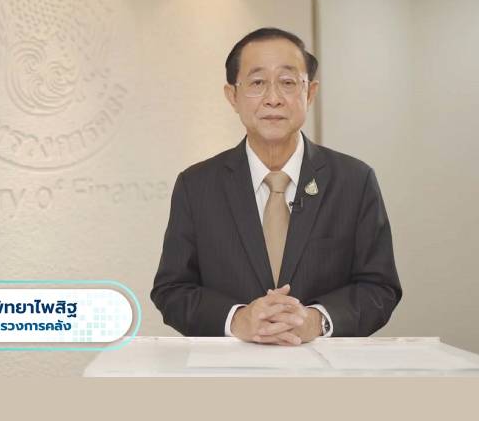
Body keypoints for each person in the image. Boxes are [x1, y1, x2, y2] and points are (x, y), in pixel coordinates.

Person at [151, 27, 401, 345]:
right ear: (233, 96)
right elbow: (172, 291)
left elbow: (379, 288)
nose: (273, 99)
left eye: (287, 82)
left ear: (309, 93)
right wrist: (237, 319)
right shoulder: (196, 185)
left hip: (324, 366)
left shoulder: (354, 180)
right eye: (257, 83)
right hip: (229, 368)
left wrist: (317, 320)